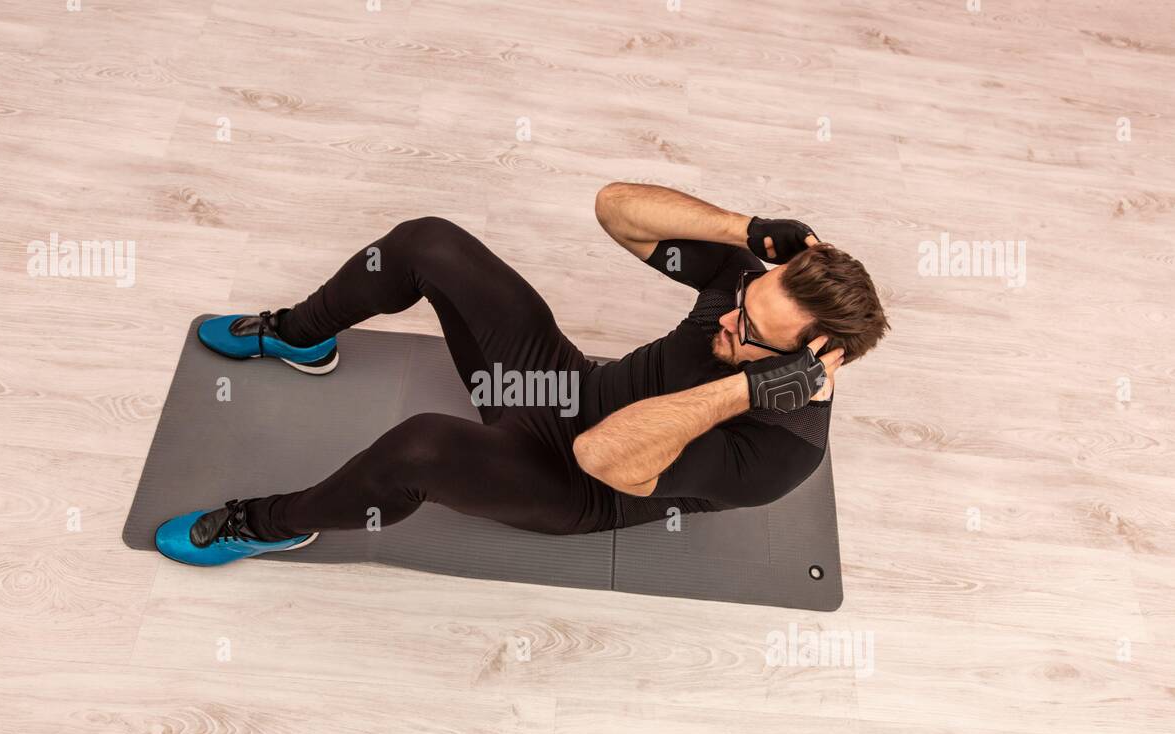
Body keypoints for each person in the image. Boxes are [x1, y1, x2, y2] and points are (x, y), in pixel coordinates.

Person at [155, 183, 890, 566]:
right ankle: (298, 337)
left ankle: (268, 526)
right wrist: (744, 230)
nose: (730, 317)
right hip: (557, 387)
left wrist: (746, 389)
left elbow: (601, 455)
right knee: (427, 243)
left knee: (420, 450)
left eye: (751, 333)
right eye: (742, 300)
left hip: (571, 482)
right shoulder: (743, 294)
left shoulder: (781, 452)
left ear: (808, 353)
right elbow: (617, 211)